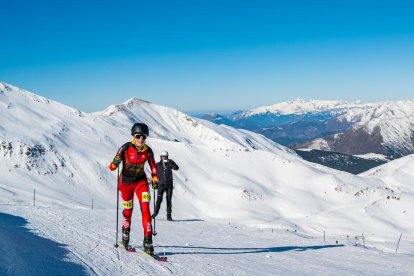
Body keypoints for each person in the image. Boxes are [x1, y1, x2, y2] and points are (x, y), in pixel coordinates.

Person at [109, 123, 159, 254]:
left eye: (144, 137)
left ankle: (148, 240)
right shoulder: (125, 148)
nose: (141, 139)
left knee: (146, 209)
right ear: (133, 136)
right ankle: (125, 234)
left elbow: (153, 167)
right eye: (138, 136)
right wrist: (115, 162)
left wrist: (155, 179)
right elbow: (112, 167)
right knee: (128, 210)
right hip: (125, 183)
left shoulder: (148, 151)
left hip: (141, 181)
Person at [152, 151, 179, 221]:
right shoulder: (158, 165)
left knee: (169, 200)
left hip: (169, 185)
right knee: (158, 200)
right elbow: (154, 174)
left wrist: (172, 162)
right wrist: (154, 182)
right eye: (162, 156)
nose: (164, 157)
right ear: (160, 157)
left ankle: (169, 216)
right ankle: (155, 214)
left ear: (167, 157)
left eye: (165, 156)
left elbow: (176, 168)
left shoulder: (169, 164)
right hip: (161, 185)